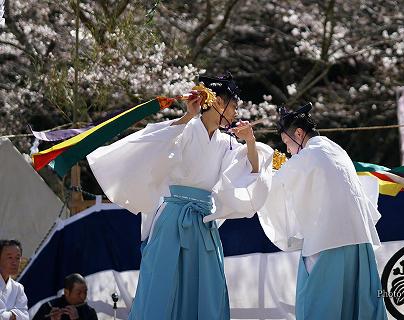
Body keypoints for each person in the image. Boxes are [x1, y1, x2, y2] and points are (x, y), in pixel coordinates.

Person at [86, 73, 273, 319]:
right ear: (217, 103)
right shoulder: (187, 128)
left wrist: (249, 142)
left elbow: (250, 169)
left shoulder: (226, 142)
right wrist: (187, 116)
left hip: (204, 220)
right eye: (234, 106)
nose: (236, 113)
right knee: (164, 283)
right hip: (174, 217)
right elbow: (157, 142)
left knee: (208, 285)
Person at [257, 103, 388, 320]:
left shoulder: (309, 155)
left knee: (317, 307)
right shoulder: (337, 150)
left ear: (299, 133)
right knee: (357, 308)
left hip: (327, 243)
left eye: (288, 143)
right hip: (359, 240)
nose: (288, 150)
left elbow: (273, 189)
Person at [32, 273, 97, 320]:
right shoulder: (49, 307)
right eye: (78, 293)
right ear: (66, 292)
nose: (83, 297)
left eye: (85, 292)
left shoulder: (89, 312)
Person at [0, 240, 28, 320]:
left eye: (17, 258)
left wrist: (6, 315)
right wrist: (14, 315)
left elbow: (25, 316)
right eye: (10, 257)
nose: (14, 262)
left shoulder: (18, 288)